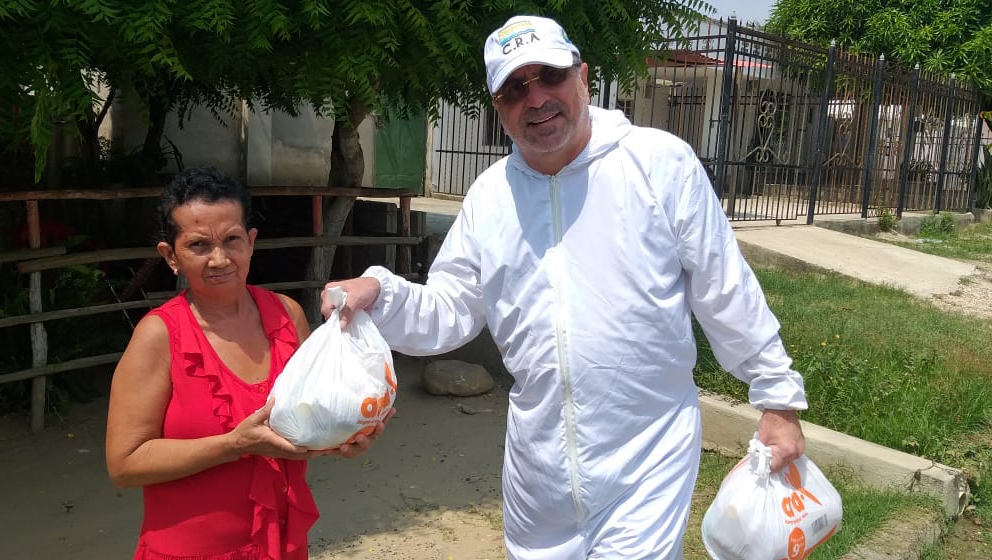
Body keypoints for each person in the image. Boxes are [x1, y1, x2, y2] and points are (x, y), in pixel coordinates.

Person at [323, 14, 809, 559]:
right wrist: (380, 293)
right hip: (539, 471)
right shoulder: (491, 197)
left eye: (549, 76)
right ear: (498, 108)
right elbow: (452, 307)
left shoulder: (657, 164)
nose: (536, 100)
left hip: (647, 455)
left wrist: (777, 397)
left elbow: (726, 289)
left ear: (582, 76)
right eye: (514, 89)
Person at [105, 167, 388, 560]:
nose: (220, 259)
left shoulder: (287, 317)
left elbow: (313, 416)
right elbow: (124, 463)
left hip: (280, 546)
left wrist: (344, 438)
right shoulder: (160, 336)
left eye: (232, 240)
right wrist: (233, 445)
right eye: (199, 245)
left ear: (251, 242)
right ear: (170, 256)